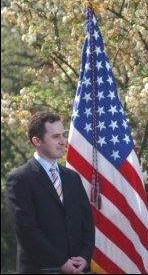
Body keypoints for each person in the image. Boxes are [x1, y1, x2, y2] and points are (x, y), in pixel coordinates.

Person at [5, 111, 95, 274]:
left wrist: (85, 256)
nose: (63, 141)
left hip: (78, 270)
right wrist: (60, 262)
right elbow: (26, 230)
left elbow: (87, 222)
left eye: (63, 135)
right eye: (55, 137)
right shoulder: (19, 180)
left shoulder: (72, 178)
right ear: (37, 141)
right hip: (41, 270)